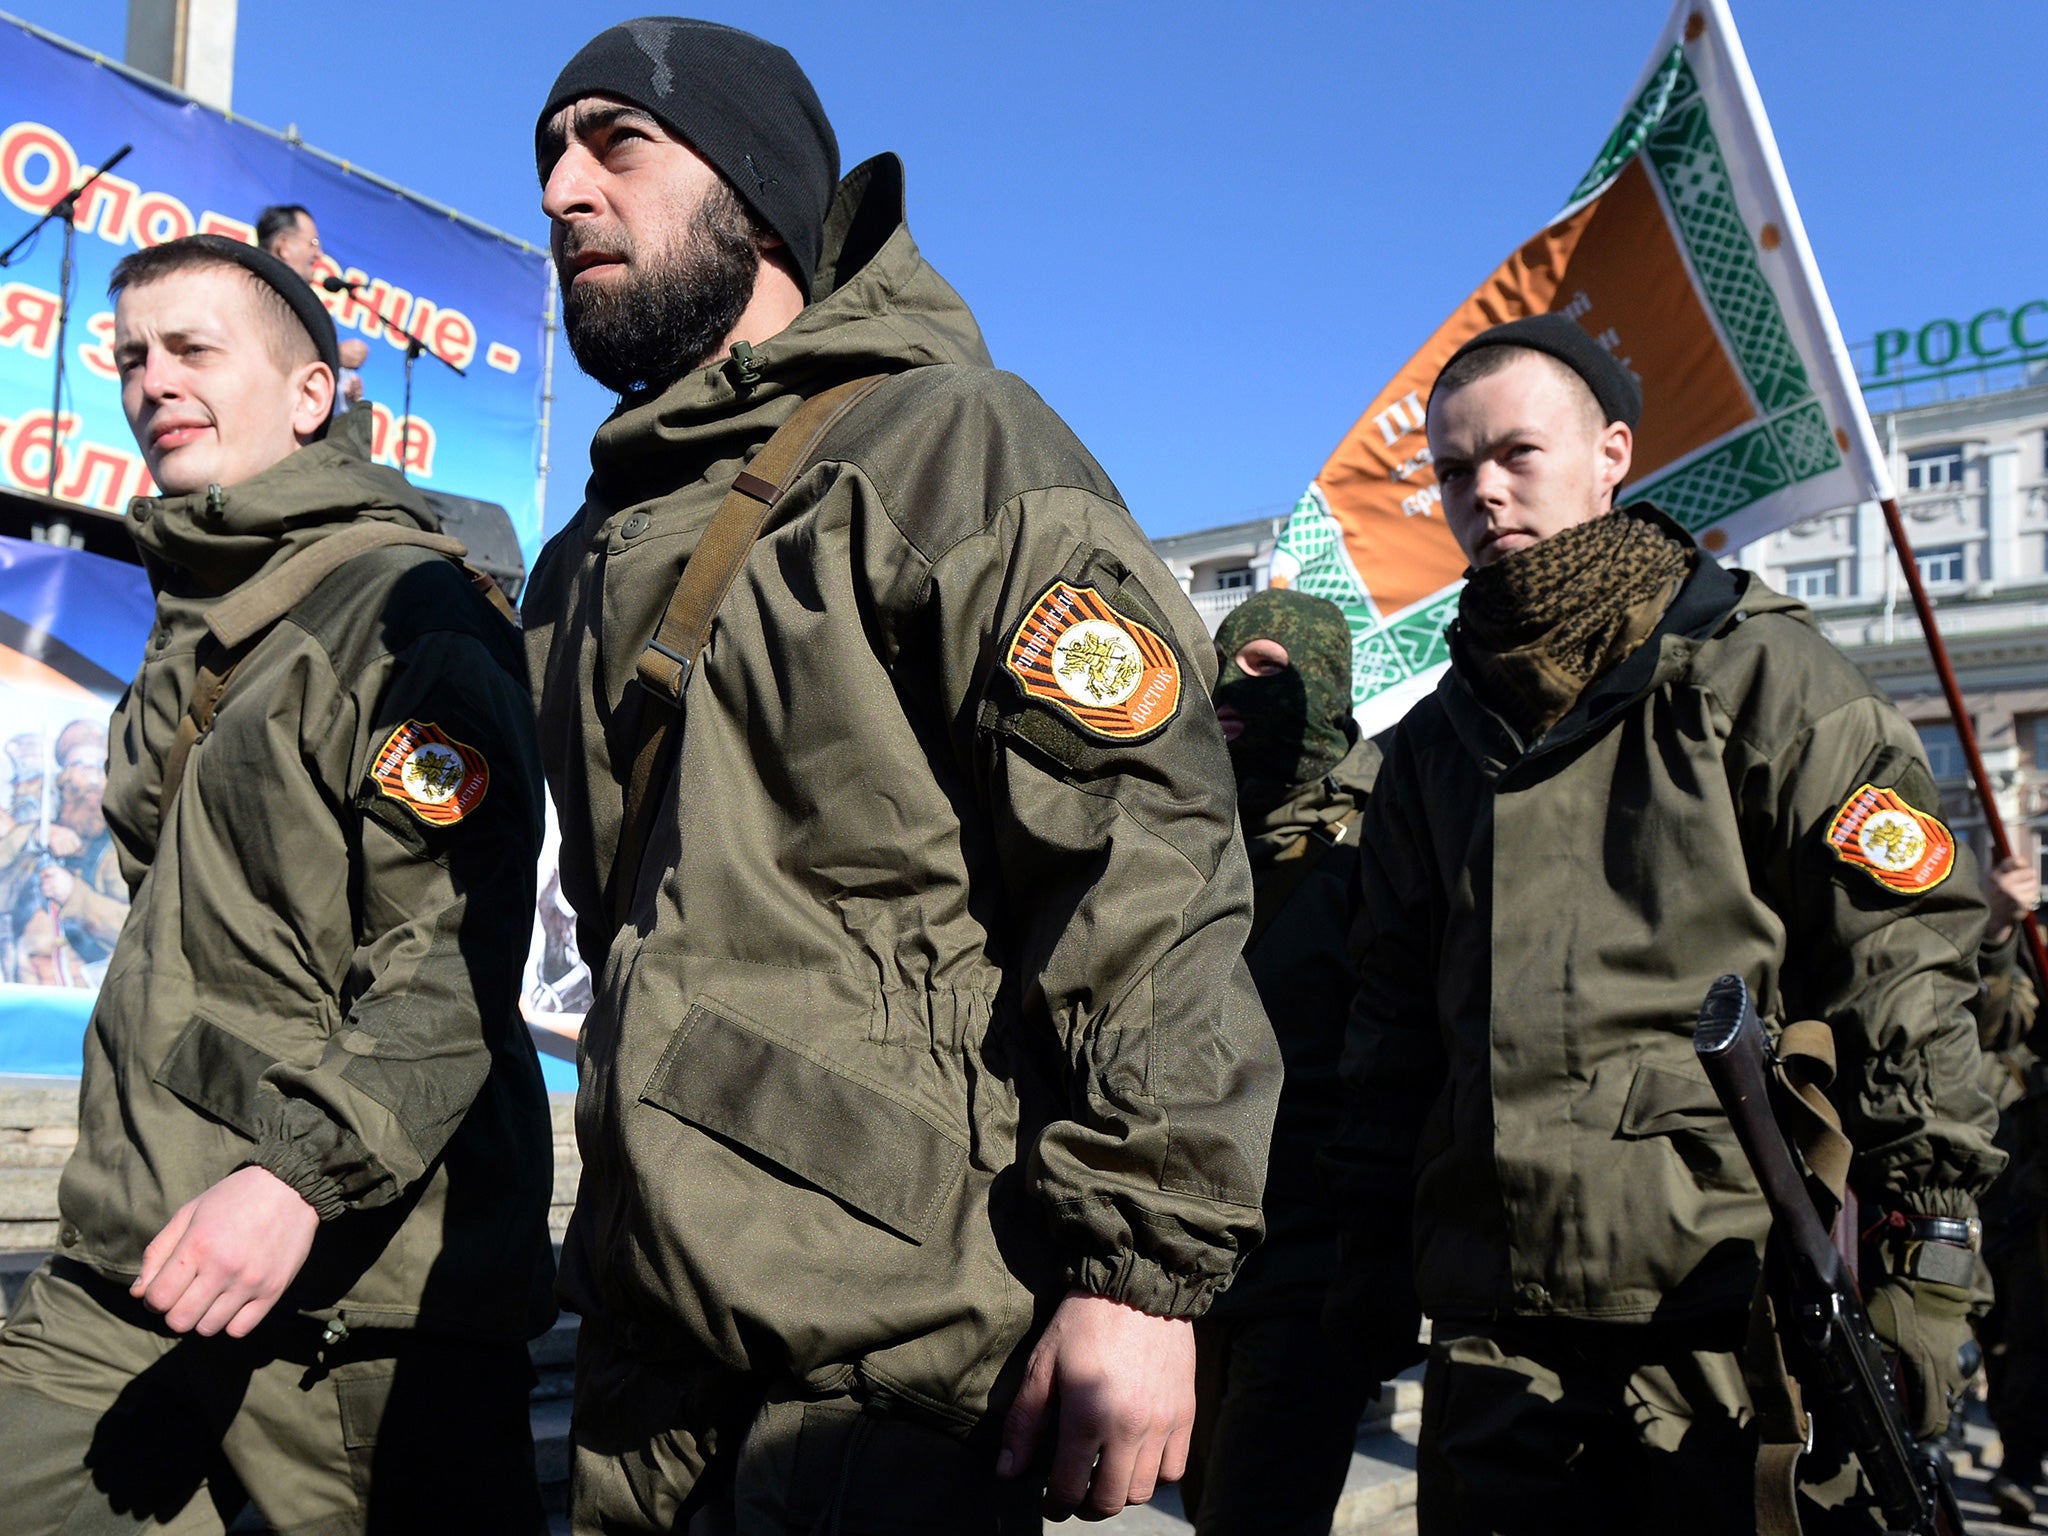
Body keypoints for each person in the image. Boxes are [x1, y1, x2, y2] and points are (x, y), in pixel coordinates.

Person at [521, 18, 1279, 1532]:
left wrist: (1142, 1272)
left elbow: (1145, 864)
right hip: (640, 1351)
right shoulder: (583, 561)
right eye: (546, 155)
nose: (560, 193)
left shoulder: (950, 448)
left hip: (887, 1368)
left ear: (759, 197)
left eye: (617, 145)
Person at [1323, 313, 2004, 1534]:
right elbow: (1388, 1035)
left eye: (1516, 454)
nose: (1482, 490)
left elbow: (1905, 990)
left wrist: (1926, 1286)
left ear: (1610, 454)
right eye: (1452, 469)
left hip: (1731, 1335)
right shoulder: (1431, 747)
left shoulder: (1756, 680)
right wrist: (1363, 1265)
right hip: (1497, 1347)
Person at [0, 233, 556, 1533]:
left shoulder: (412, 619)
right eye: (131, 356)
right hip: (132, 1261)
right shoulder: (191, 606)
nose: (152, 382)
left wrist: (297, 1179)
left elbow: (450, 967)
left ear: (312, 396)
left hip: (362, 1304)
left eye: (195, 349)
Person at [1182, 588, 1379, 1535]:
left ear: (1323, 686)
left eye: (1260, 665)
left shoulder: (1377, 851)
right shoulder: (1194, 837)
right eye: (1220, 661)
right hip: (1196, 1263)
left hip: (1314, 1275)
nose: (1228, 684)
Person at [1970, 855, 2048, 1523]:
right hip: (2033, 1191)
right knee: (2024, 1336)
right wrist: (1997, 931)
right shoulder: (2037, 946)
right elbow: (1999, 1025)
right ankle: (2020, 1461)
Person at [257, 203, 369, 405]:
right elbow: (260, 355)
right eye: (313, 243)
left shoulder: (307, 308)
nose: (319, 254)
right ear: (283, 246)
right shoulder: (251, 290)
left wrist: (342, 391)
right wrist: (334, 356)